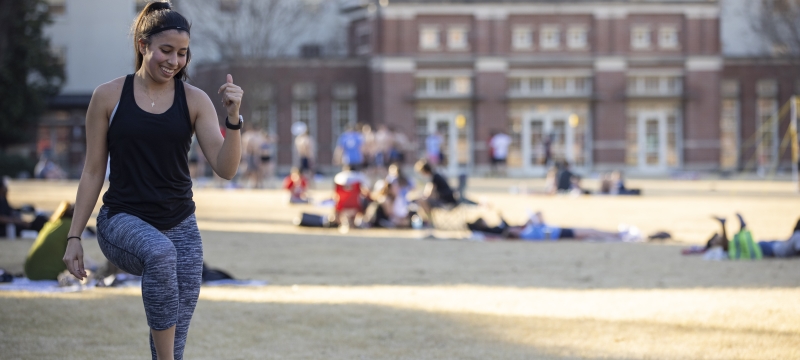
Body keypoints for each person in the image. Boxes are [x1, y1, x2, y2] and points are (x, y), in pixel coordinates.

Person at [61, 3, 244, 359]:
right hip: (122, 220)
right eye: (166, 50)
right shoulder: (108, 96)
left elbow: (227, 168)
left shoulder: (195, 100)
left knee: (175, 328)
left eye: (182, 53)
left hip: (180, 224)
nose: (174, 60)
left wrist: (234, 119)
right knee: (161, 255)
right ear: (143, 45)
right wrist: (74, 236)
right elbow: (93, 170)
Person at [414, 159, 457, 223]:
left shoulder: (434, 177)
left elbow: (429, 194)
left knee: (422, 201)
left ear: (424, 171)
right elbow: (427, 193)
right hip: (446, 200)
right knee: (422, 200)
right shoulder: (434, 176)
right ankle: (426, 220)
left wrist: (420, 196)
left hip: (446, 202)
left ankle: (429, 221)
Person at [332, 165, 370, 230]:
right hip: (356, 205)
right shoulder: (359, 177)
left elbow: (335, 194)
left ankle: (336, 220)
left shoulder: (338, 177)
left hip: (341, 205)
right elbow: (367, 190)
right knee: (367, 202)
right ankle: (365, 221)